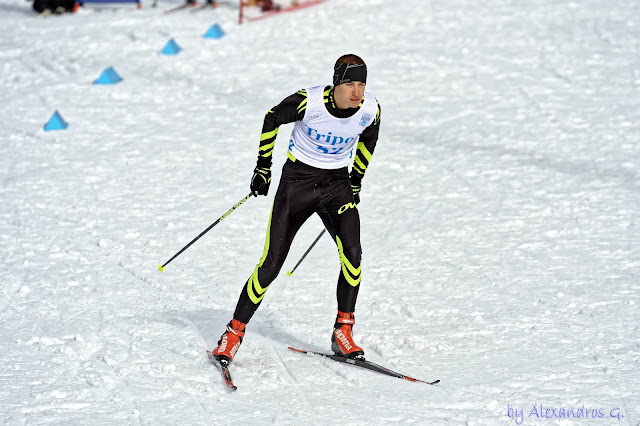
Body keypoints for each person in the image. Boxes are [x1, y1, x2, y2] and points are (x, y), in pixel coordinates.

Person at [212, 54, 381, 364]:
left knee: (353, 255)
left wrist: (356, 179)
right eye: (349, 84)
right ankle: (233, 333)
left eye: (361, 84)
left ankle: (343, 331)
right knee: (272, 263)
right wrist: (263, 167)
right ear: (336, 84)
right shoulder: (309, 103)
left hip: (336, 185)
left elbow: (369, 138)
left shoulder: (369, 109)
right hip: (298, 184)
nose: (356, 92)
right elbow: (271, 117)